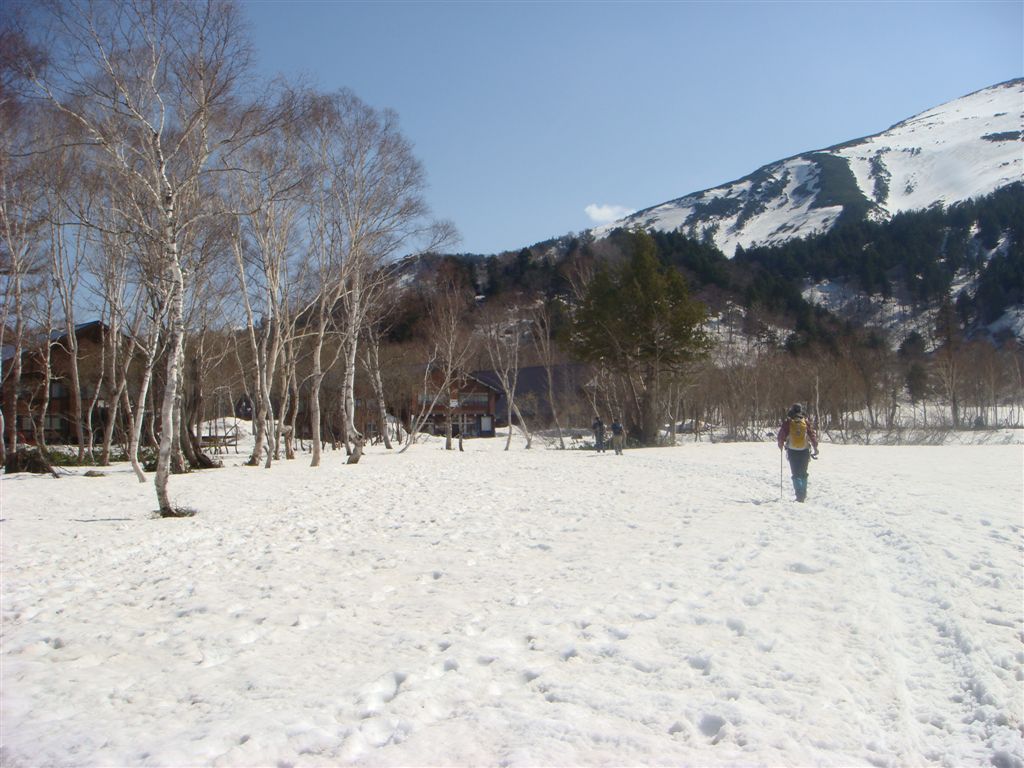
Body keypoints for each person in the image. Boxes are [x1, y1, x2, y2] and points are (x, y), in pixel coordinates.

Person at [777, 403, 819, 502]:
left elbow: (781, 435)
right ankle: (803, 493)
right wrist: (815, 446)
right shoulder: (805, 422)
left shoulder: (788, 422)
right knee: (803, 473)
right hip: (804, 450)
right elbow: (812, 435)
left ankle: (799, 494)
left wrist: (781, 444)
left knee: (795, 473)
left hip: (792, 451)